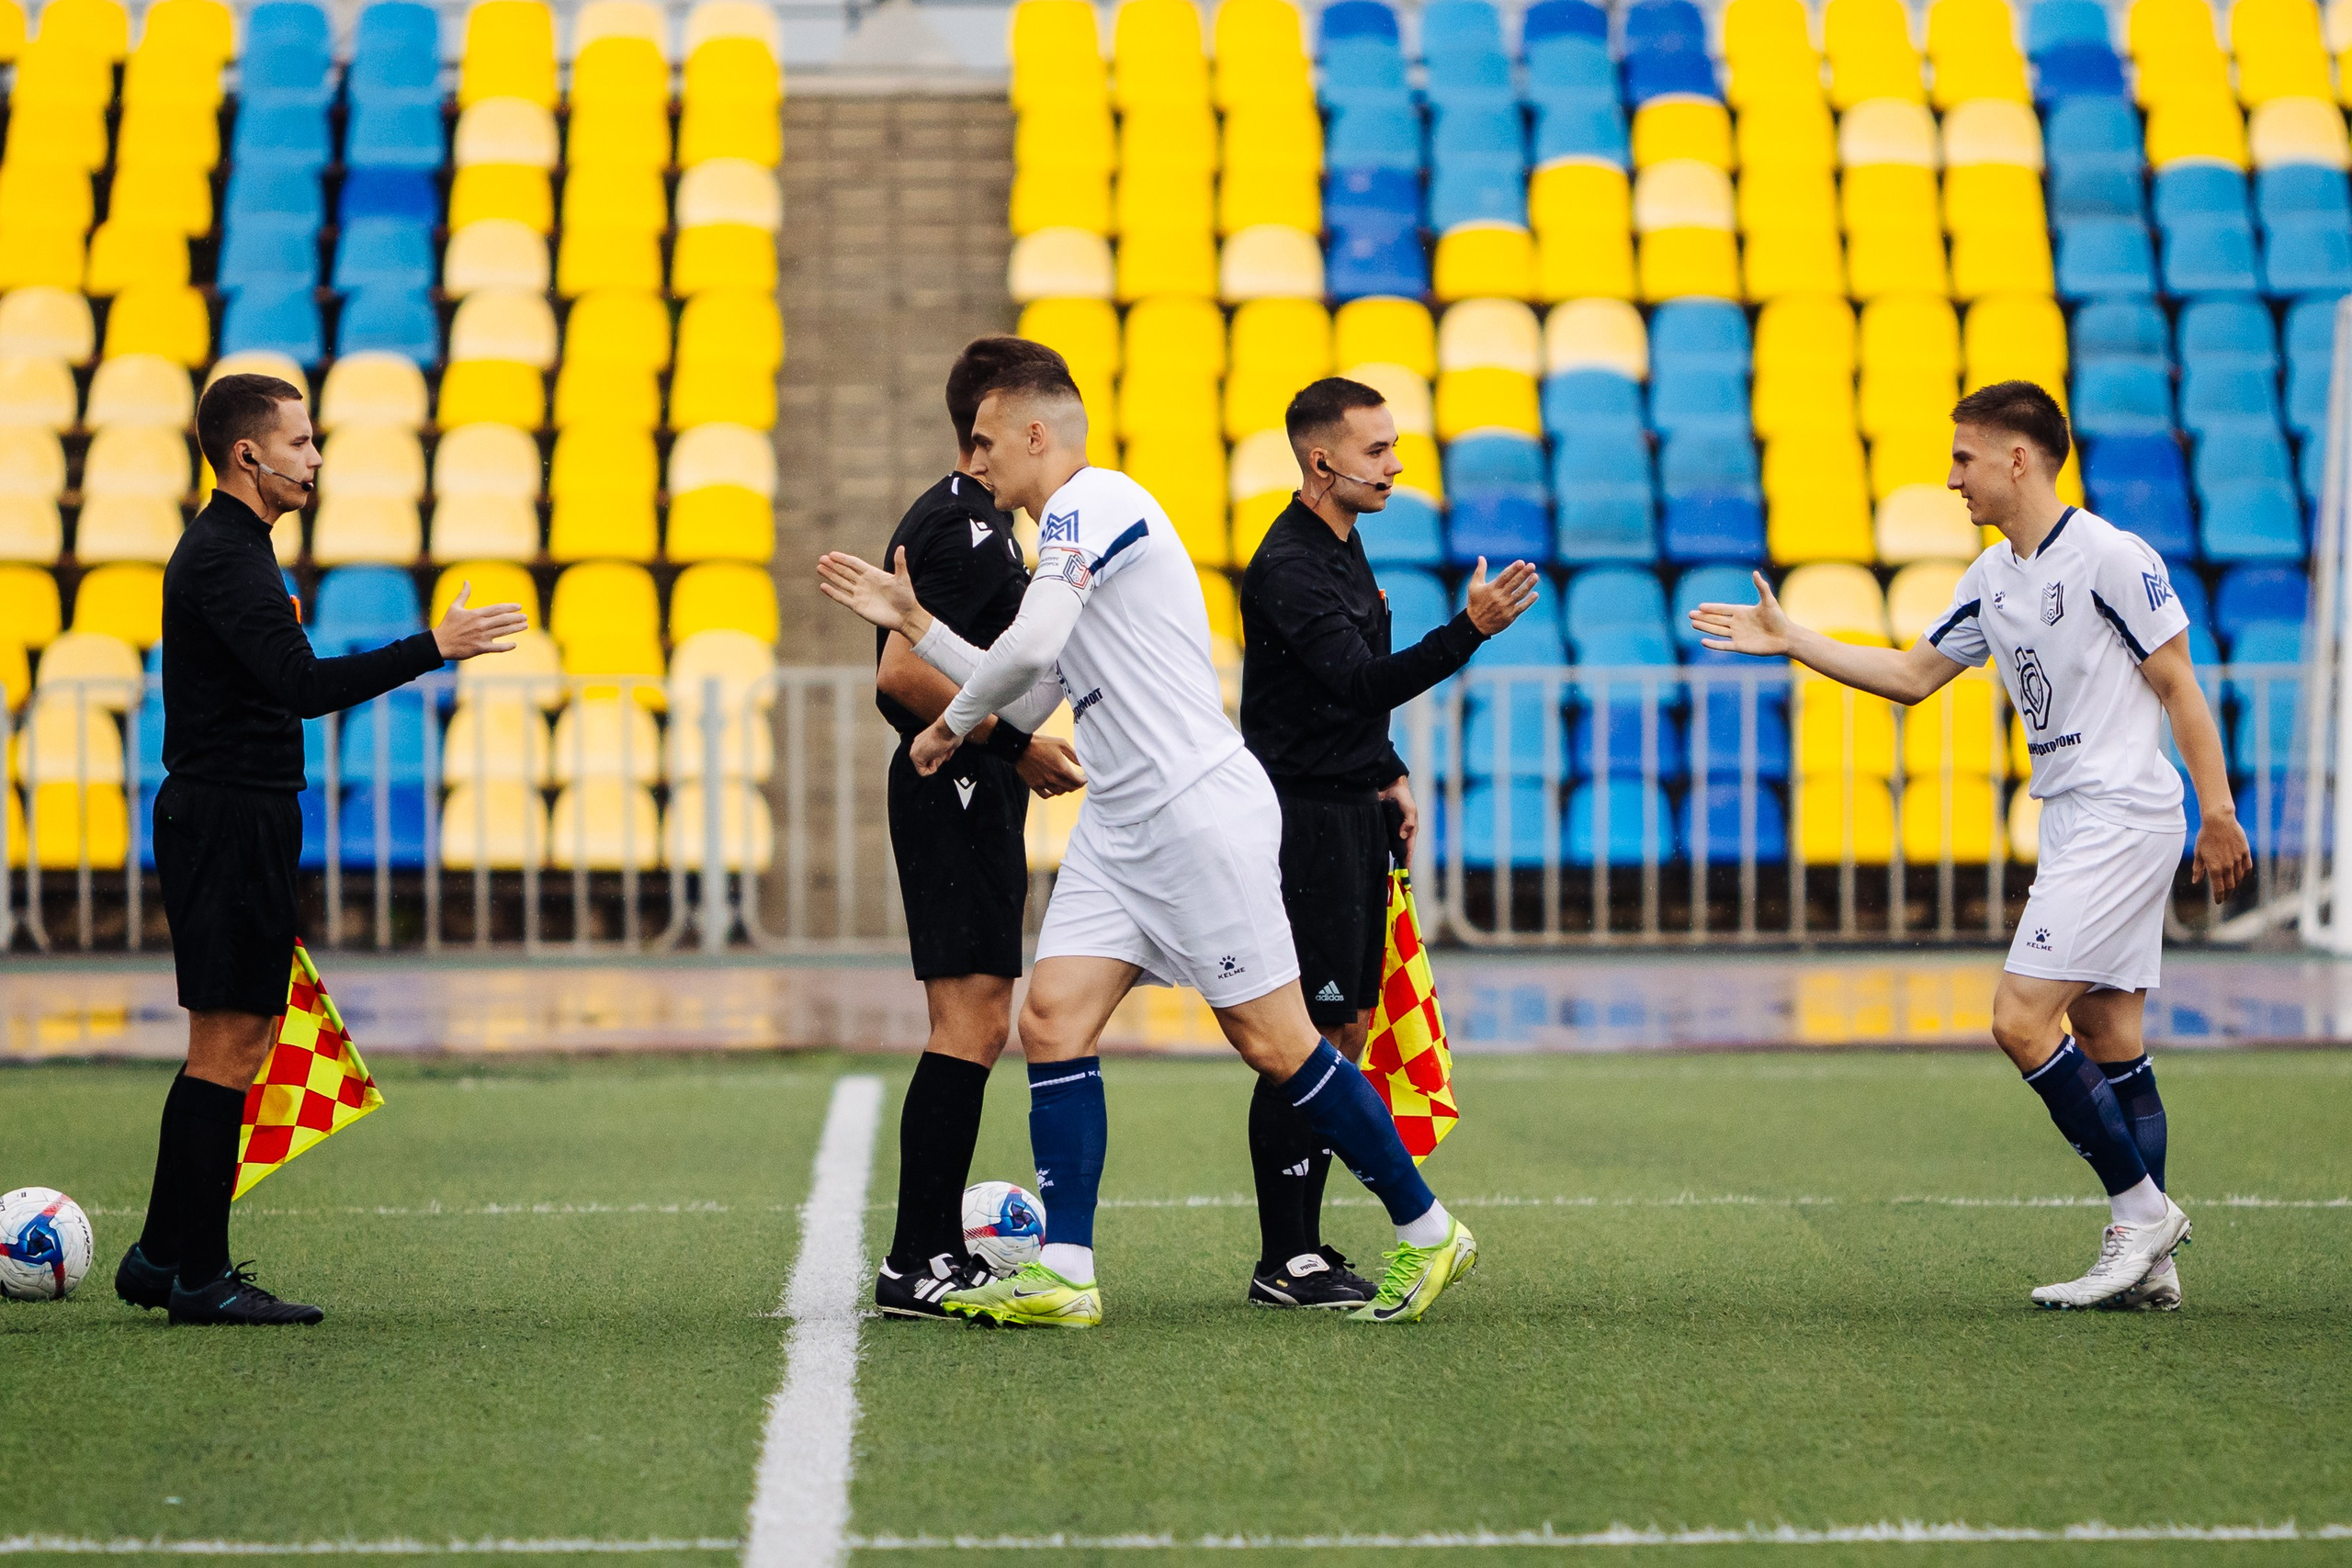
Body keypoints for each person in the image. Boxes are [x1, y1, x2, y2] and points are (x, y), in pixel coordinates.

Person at [818, 344, 1480, 1325]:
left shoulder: (1102, 503)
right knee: (1051, 1021)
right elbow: (1036, 680)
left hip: (1195, 815)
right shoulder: (1062, 554)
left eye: (986, 441)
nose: (976, 462)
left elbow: (1026, 655)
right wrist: (917, 622)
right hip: (1123, 825)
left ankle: (1428, 1233)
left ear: (1034, 432)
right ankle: (1067, 1273)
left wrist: (950, 727)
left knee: (1278, 1043)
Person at [1690, 380, 2250, 1311]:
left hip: (2121, 813)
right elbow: (1912, 676)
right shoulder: (1991, 578)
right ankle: (2150, 1263)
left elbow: (2177, 682)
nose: (1951, 478)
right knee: (2106, 1032)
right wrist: (1796, 641)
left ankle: (2141, 1216)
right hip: (2074, 815)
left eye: (1963, 458)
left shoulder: (2110, 557)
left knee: (2018, 1019)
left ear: (2016, 457)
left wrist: (2218, 809)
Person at [114, 374, 528, 1326]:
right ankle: (200, 1280)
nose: (315, 458)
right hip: (226, 818)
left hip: (238, 814)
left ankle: (161, 1254)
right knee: (229, 1043)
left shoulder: (240, 550)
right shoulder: (225, 555)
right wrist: (435, 646)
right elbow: (299, 685)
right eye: (299, 443)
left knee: (234, 1038)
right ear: (246, 455)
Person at [1233, 377, 1540, 1308]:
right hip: (1305, 823)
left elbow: (1340, 700)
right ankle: (1285, 1258)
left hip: (1349, 808)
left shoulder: (1340, 544)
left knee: (1342, 1030)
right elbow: (1358, 680)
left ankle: (1301, 1252)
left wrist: (1388, 770)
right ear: (1321, 461)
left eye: (1393, 446)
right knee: (1306, 1036)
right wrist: (1468, 632)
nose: (1395, 465)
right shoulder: (1288, 564)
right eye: (1377, 451)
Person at [865, 338, 1086, 1321]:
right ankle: (918, 1259)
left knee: (984, 1022)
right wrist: (1016, 749)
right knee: (969, 1024)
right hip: (948, 782)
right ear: (990, 419)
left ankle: (933, 1252)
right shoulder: (954, 526)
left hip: (969, 783)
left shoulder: (987, 528)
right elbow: (901, 676)